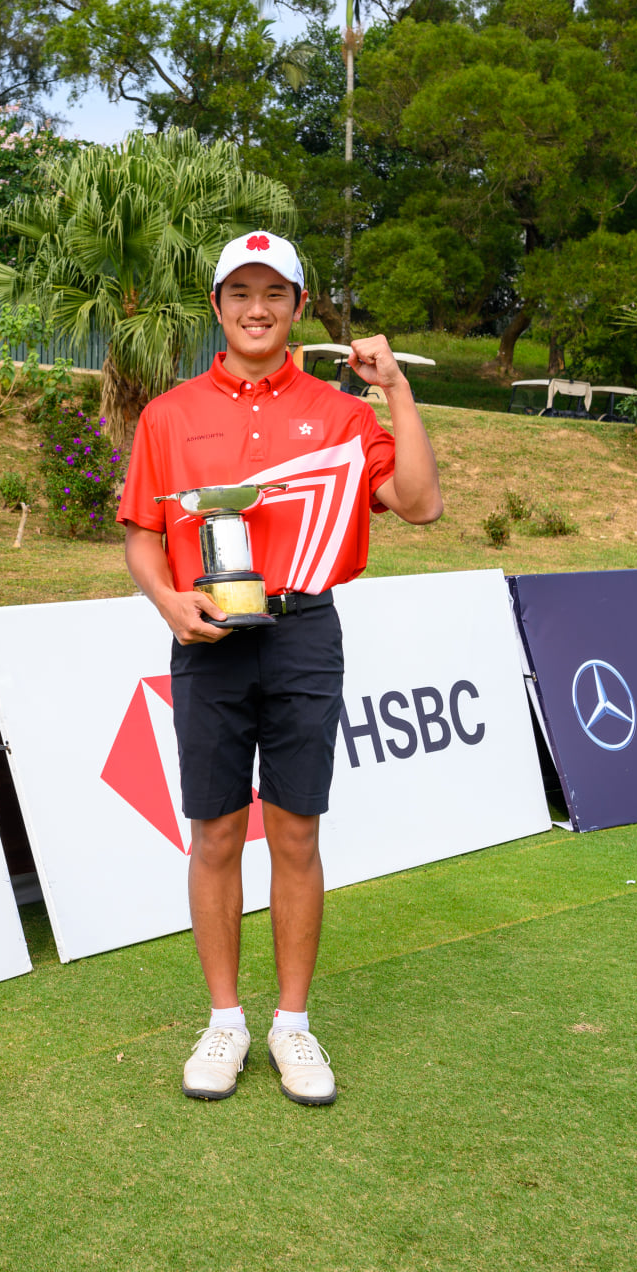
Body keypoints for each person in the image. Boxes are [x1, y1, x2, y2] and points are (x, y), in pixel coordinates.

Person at [117, 231, 444, 1106]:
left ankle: (292, 1027)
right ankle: (224, 1020)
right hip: (209, 639)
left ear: (300, 307)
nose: (256, 309)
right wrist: (167, 602)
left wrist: (397, 392)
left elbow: (419, 503)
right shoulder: (170, 414)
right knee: (217, 832)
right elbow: (144, 534)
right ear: (217, 306)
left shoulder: (341, 416)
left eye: (275, 293)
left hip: (304, 634)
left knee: (296, 833)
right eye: (239, 293)